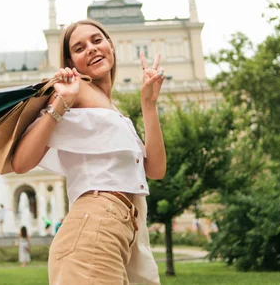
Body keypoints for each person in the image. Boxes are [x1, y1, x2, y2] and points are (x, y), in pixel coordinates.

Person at [12, 19, 166, 284]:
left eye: (97, 40)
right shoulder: (75, 91)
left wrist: (149, 105)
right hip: (94, 226)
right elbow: (21, 162)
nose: (92, 49)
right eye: (79, 47)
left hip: (125, 231)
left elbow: (155, 170)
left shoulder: (115, 113)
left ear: (111, 47)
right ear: (71, 62)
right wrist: (61, 102)